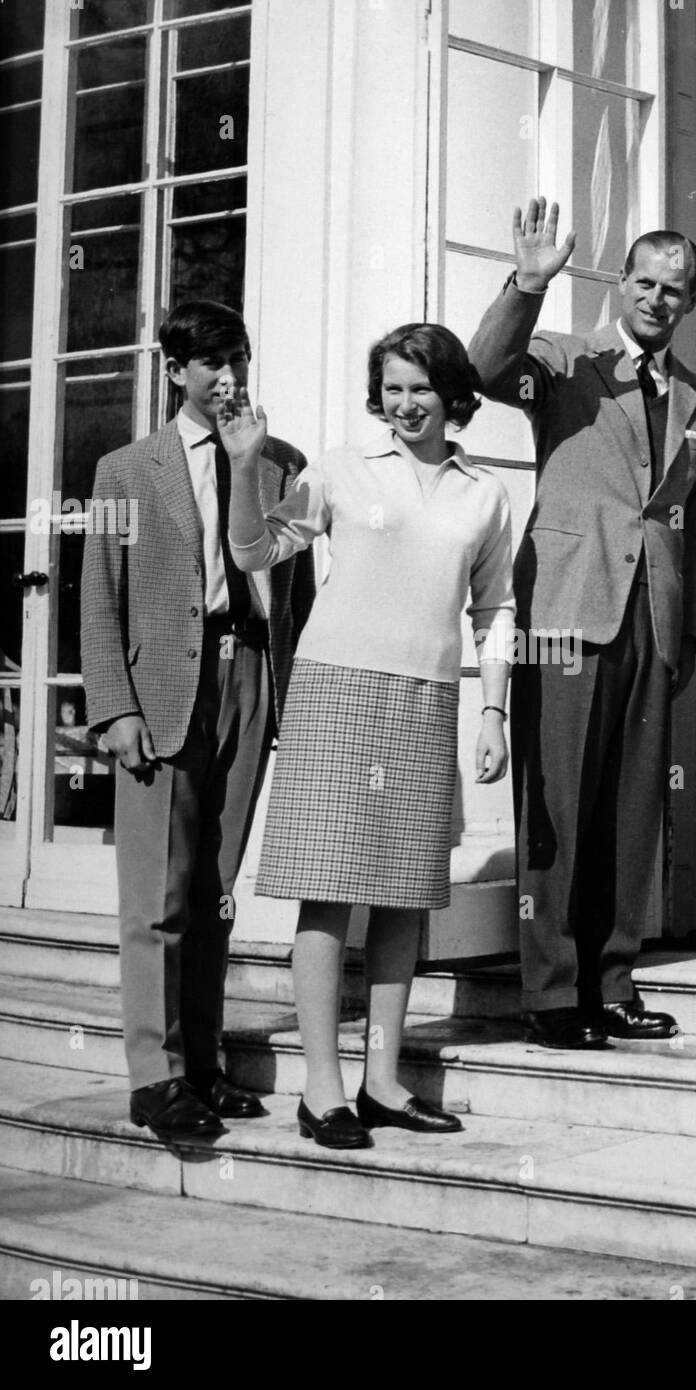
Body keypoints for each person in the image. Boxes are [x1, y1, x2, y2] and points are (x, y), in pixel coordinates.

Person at [224, 323, 513, 1148]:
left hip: (426, 699)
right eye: (391, 387)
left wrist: (491, 711)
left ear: (452, 393)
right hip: (336, 689)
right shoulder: (343, 471)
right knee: (331, 887)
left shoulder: (484, 494)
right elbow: (252, 550)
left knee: (402, 897)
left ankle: (381, 1080)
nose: (405, 402)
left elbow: (495, 612)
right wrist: (246, 464)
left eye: (420, 387)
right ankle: (321, 1089)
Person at [468, 198, 696, 1049]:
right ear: (620, 283)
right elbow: (484, 366)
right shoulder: (564, 361)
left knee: (630, 809)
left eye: (673, 290)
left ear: (690, 302)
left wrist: (687, 626)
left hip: (649, 618)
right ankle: (548, 994)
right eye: (643, 282)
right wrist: (526, 286)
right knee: (558, 805)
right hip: (565, 610)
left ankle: (612, 981)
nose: (655, 298)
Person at [81, 300, 315, 1142]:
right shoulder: (125, 470)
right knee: (157, 895)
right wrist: (112, 707)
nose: (229, 379)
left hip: (248, 673)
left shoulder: (282, 464)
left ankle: (204, 1065)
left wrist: (293, 698)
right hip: (162, 694)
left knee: (214, 891)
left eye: (239, 360)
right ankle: (155, 1076)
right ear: (175, 369)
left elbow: (297, 597)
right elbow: (97, 597)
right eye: (212, 362)